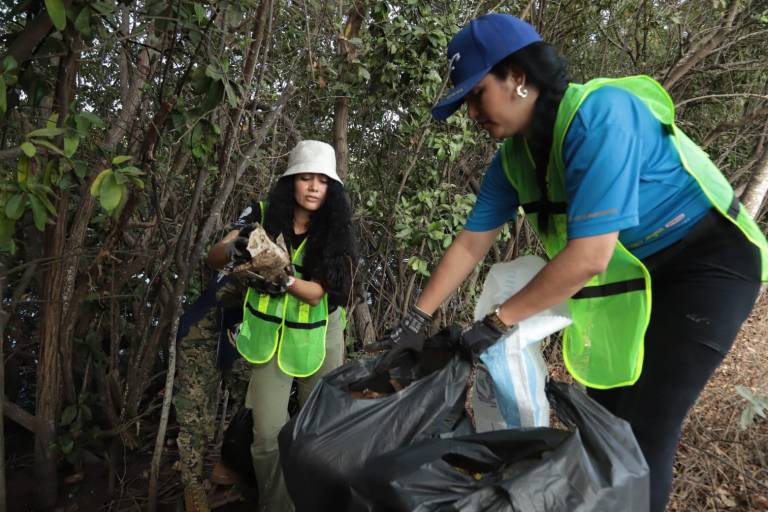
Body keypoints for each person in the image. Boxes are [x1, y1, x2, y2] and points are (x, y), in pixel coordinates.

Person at [372, 14, 768, 512]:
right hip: (632, 280)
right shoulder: (512, 161)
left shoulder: (602, 115)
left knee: (643, 431)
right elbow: (471, 244)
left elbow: (588, 256)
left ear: (518, 77)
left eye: (476, 95)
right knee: (600, 424)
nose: (472, 113)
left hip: (707, 264)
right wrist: (415, 319)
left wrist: (496, 323)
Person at [207, 139, 356, 512]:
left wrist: (281, 276)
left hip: (320, 336)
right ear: (291, 181)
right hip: (269, 336)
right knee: (268, 433)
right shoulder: (262, 214)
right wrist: (237, 248)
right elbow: (215, 256)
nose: (314, 187)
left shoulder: (335, 228)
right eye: (305, 178)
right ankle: (277, 505)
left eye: (322, 180)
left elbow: (317, 295)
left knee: (317, 429)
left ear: (331, 187)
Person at [173, 274, 253, 512]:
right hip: (202, 331)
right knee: (194, 411)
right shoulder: (242, 253)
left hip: (244, 329)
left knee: (248, 405)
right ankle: (192, 486)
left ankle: (230, 464)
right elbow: (216, 258)